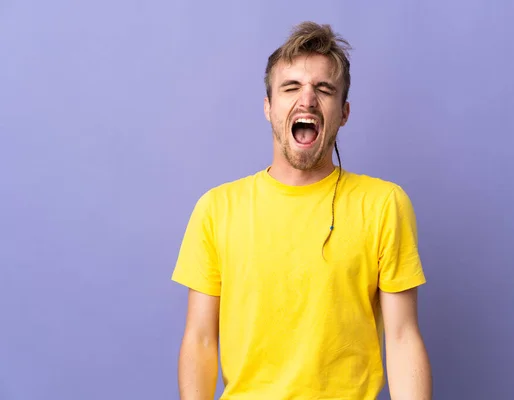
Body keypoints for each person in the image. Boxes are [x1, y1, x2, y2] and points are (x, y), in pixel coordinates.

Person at [172, 21, 432, 400]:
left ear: (343, 112)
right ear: (268, 107)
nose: (307, 100)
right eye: (291, 87)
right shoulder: (217, 209)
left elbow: (402, 336)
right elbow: (200, 339)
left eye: (323, 89)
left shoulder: (383, 205)